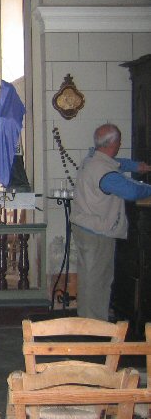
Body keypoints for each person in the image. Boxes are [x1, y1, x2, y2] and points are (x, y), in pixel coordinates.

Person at [70, 123, 151, 320]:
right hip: (97, 232)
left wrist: (136, 166)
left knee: (89, 278)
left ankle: (87, 321)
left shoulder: (92, 158)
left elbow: (117, 163)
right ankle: (95, 326)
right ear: (113, 144)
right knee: (98, 281)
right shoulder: (105, 173)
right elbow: (131, 191)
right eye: (119, 142)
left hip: (84, 226)